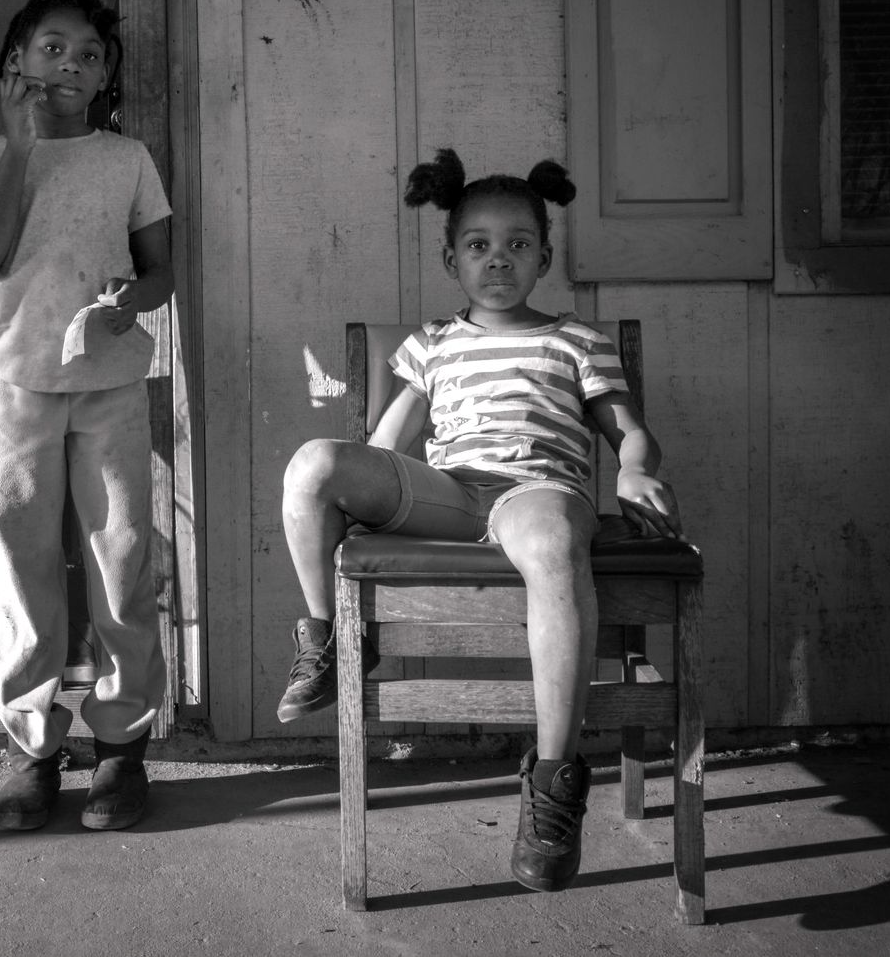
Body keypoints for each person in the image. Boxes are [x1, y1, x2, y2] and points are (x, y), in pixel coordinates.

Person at [275, 148, 682, 891]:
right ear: (451, 259)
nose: (499, 258)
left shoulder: (575, 340)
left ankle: (554, 779)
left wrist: (632, 467)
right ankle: (330, 640)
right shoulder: (432, 344)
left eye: (518, 243)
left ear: (545, 256)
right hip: (449, 492)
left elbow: (628, 430)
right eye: (479, 245)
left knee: (554, 536)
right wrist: (352, 485)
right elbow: (386, 447)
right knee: (311, 465)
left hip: (536, 493)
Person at [0, 0, 174, 832]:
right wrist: (18, 146)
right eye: (51, 48)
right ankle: (34, 749)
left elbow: (162, 271)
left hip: (110, 386)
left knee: (121, 562)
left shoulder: (128, 159)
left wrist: (133, 299)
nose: (70, 64)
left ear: (105, 75)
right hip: (15, 389)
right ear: (16, 66)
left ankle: (122, 747)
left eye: (88, 54)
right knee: (21, 561)